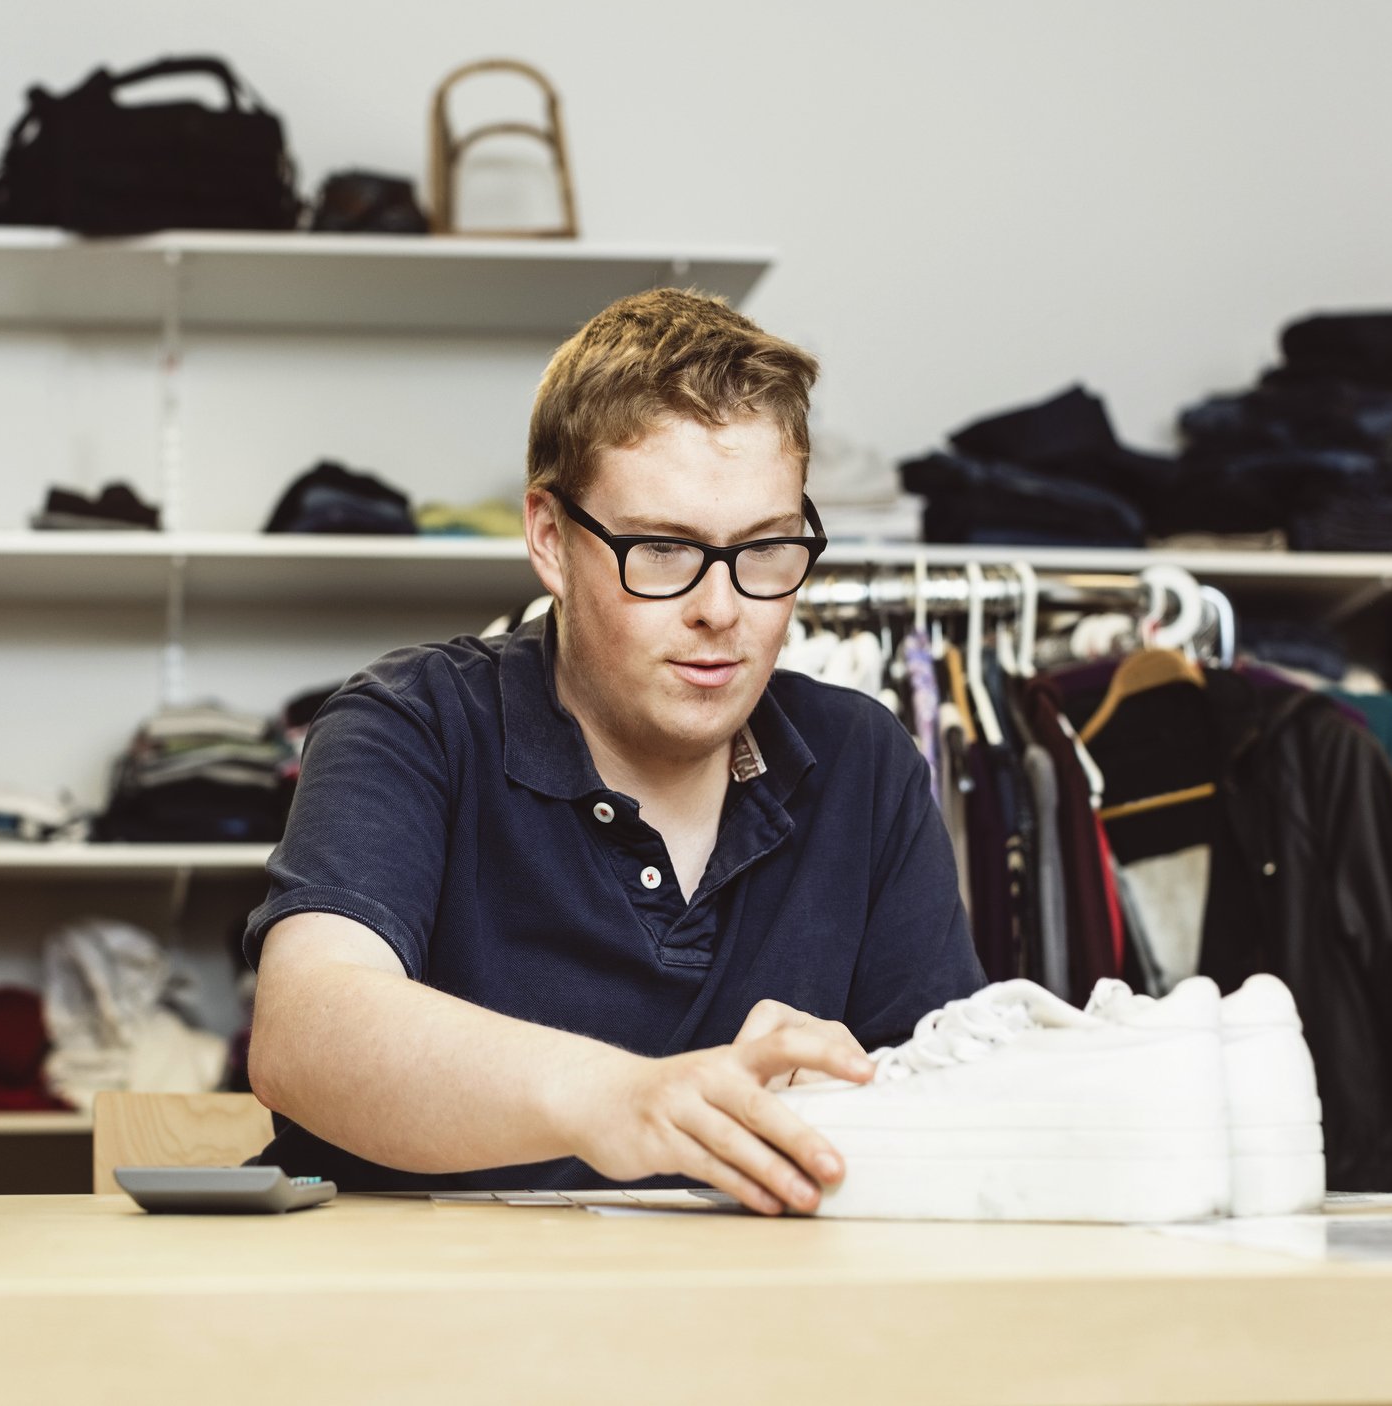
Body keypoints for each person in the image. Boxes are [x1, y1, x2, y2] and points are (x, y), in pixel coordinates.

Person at [244, 288, 982, 1214]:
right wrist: (620, 1101)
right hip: (430, 1331)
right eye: (664, 550)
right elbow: (307, 1036)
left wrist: (860, 1109)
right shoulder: (414, 724)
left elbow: (958, 1111)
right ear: (550, 540)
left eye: (764, 549)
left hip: (757, 1335)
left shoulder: (861, 763)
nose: (722, 609)